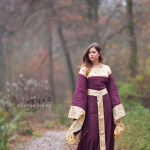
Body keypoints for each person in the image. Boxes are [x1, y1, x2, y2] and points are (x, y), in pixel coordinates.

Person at [65, 42, 126, 150]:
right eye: (89, 53)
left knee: (106, 132)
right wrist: (79, 109)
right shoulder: (84, 69)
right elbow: (80, 91)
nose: (91, 54)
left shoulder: (107, 69)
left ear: (99, 53)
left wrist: (116, 107)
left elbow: (112, 90)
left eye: (93, 52)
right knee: (91, 133)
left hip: (106, 103)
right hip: (91, 105)